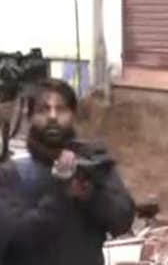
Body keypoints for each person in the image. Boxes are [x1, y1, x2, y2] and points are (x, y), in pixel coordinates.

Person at [0, 79, 135, 265]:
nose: (52, 116)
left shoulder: (93, 165)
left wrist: (89, 195)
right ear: (30, 116)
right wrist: (60, 193)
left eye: (61, 109)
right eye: (43, 109)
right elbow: (16, 239)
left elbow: (122, 221)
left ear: (73, 115)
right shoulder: (12, 174)